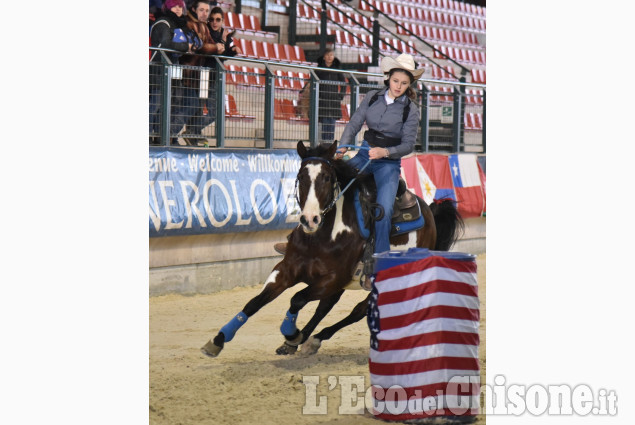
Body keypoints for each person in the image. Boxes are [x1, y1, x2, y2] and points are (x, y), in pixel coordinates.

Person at [338, 53, 424, 260]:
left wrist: (385, 152)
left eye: (404, 83)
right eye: (395, 81)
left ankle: (381, 260)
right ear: (388, 77)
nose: (398, 86)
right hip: (364, 153)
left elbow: (408, 145)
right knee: (330, 186)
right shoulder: (372, 97)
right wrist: (341, 148)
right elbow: (354, 124)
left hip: (388, 164)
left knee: (384, 211)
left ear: (409, 85)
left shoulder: (411, 110)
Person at [149, 0, 201, 144]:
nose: (178, 9)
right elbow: (164, 44)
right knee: (155, 105)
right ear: (168, 7)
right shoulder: (164, 22)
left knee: (165, 106)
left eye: (180, 6)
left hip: (171, 72)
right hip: (159, 71)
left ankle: (159, 137)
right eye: (175, 6)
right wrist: (185, 46)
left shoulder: (177, 24)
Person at [179, 1, 224, 145]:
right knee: (187, 108)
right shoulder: (190, 24)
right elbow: (201, 46)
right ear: (194, 9)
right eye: (202, 10)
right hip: (188, 75)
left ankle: (189, 134)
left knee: (195, 109)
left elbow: (210, 45)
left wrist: (220, 46)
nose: (205, 13)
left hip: (199, 77)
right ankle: (169, 136)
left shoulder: (203, 26)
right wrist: (216, 47)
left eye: (207, 10)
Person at [315, 49, 346, 142]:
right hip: (322, 99)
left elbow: (343, 83)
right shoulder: (319, 69)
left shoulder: (337, 69)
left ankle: (330, 143)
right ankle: (324, 143)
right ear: (324, 57)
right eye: (327, 55)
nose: (329, 57)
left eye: (331, 55)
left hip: (333, 100)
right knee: (324, 122)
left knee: (332, 122)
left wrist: (341, 95)